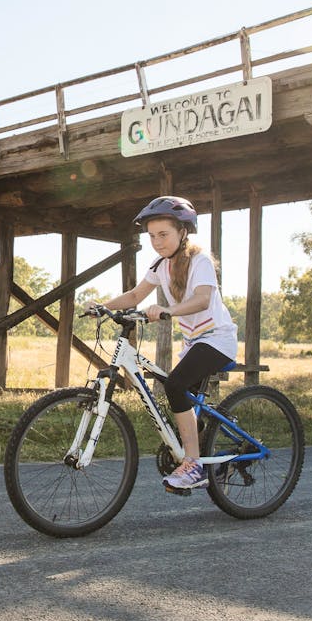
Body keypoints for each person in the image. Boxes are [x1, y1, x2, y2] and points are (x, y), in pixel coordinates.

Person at [87, 196, 238, 492]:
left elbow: (202, 298)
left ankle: (193, 464)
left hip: (217, 340)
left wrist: (168, 311)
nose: (157, 242)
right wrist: (102, 306)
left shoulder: (200, 261)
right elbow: (133, 296)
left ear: (183, 232)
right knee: (181, 395)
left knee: (175, 386)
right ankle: (211, 460)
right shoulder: (160, 265)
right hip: (195, 344)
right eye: (152, 236)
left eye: (163, 235)